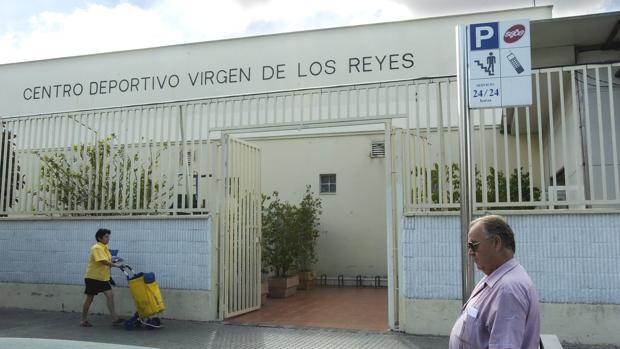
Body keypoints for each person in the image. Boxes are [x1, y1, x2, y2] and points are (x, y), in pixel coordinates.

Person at [449, 215, 540, 349]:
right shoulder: (495, 277)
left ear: (496, 243)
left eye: (473, 245)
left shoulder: (508, 290)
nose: (470, 252)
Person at [80, 228, 124, 327]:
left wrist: (117, 261)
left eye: (108, 236)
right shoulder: (96, 248)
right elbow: (102, 261)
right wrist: (115, 265)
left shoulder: (105, 248)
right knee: (89, 299)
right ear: (99, 238)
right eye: (106, 237)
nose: (108, 238)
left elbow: (109, 259)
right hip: (93, 278)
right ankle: (83, 320)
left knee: (110, 295)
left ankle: (115, 319)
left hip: (103, 278)